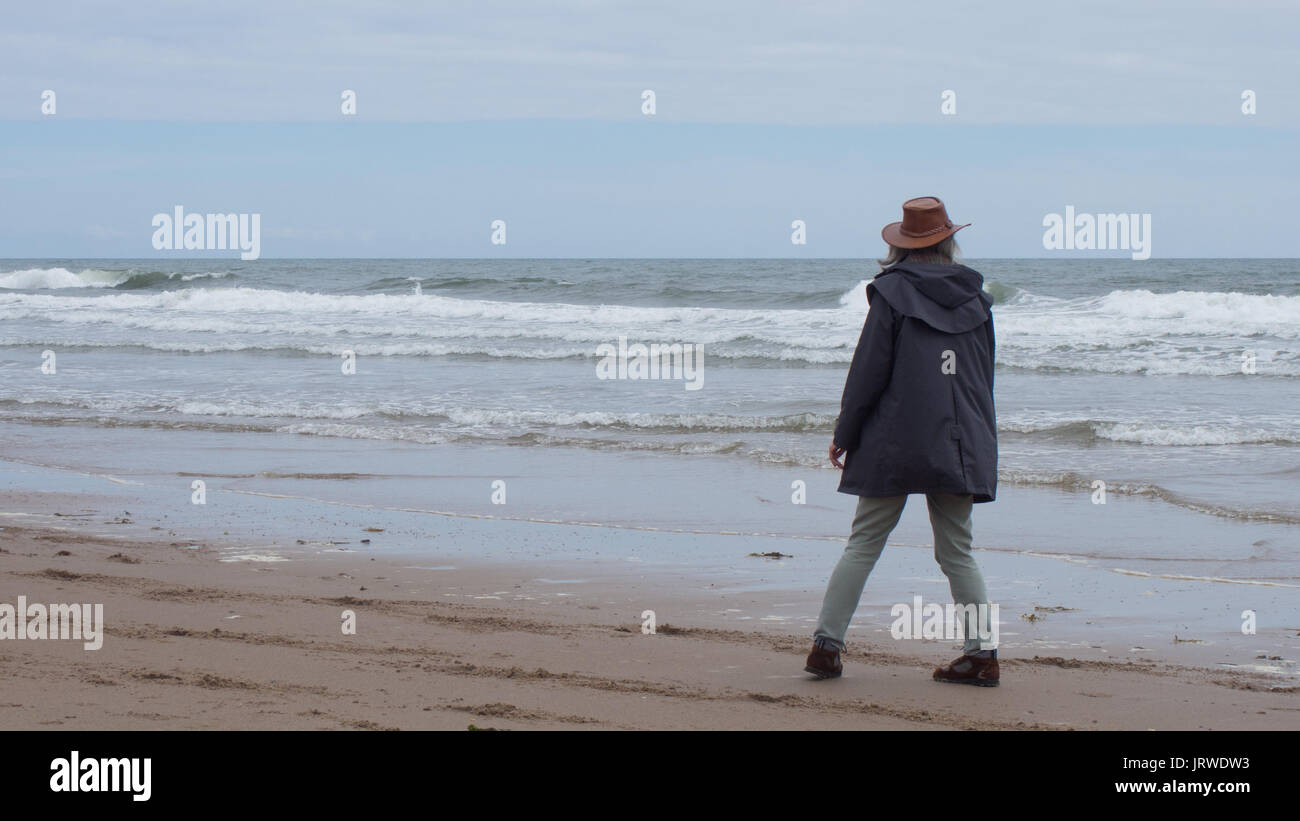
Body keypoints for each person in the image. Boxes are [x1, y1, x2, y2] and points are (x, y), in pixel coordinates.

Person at [805, 196, 1000, 686]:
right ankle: (982, 655)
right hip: (959, 437)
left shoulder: (891, 294)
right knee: (957, 550)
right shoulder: (978, 299)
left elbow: (869, 372)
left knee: (865, 541)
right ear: (949, 241)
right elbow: (980, 378)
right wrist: (977, 438)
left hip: (895, 437)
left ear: (901, 247)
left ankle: (827, 648)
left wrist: (845, 434)